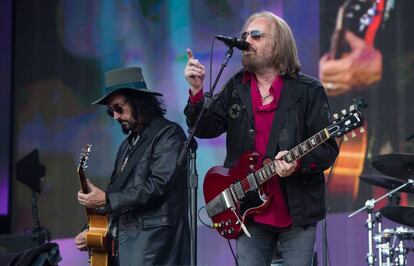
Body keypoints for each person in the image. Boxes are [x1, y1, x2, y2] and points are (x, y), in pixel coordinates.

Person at [184, 11, 339, 266]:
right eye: (245, 35)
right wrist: (197, 91)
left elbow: (328, 150)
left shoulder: (309, 91)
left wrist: (297, 164)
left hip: (296, 212)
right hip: (249, 210)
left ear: (278, 44)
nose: (247, 40)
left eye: (256, 35)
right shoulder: (237, 87)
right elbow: (205, 128)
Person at [74, 67, 190, 265]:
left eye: (119, 108)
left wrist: (106, 199)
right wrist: (91, 229)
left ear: (139, 102)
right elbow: (117, 192)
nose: (116, 116)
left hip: (154, 249)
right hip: (125, 248)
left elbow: (158, 186)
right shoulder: (126, 145)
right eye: (111, 111)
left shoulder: (169, 134)